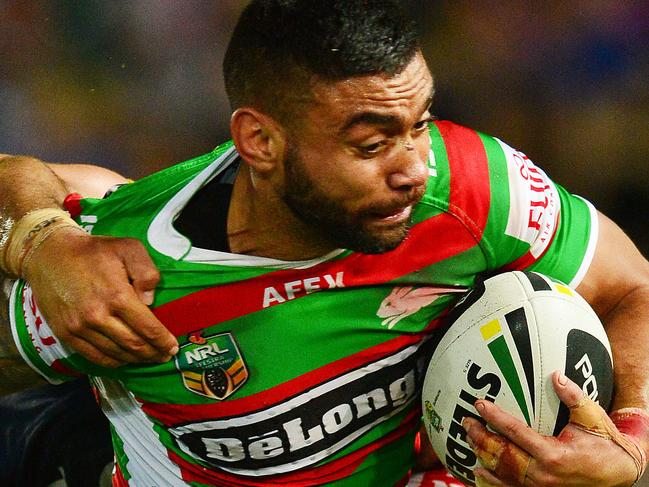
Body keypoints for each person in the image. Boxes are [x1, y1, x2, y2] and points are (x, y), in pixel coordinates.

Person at [1, 1, 649, 486]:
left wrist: (631, 439)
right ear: (259, 142)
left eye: (418, 123)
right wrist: (37, 241)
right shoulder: (131, 271)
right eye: (370, 144)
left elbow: (632, 284)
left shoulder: (472, 190)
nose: (414, 168)